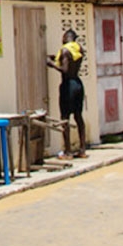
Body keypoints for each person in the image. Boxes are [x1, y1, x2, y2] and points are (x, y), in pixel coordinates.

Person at [47, 29, 87, 158]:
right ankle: (82, 150)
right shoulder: (78, 49)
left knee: (65, 118)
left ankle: (68, 151)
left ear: (66, 37)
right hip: (78, 84)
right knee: (78, 116)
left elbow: (64, 69)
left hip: (68, 85)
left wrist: (51, 64)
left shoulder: (64, 51)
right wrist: (56, 58)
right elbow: (70, 61)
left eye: (63, 37)